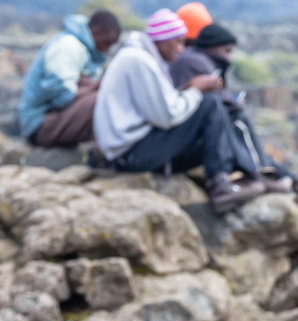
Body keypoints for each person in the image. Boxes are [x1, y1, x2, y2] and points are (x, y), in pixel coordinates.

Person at [93, 9, 265, 214]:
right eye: (178, 42)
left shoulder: (143, 58)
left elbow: (162, 105)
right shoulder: (138, 60)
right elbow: (166, 116)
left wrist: (190, 88)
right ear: (163, 40)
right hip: (129, 155)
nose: (181, 49)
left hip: (132, 150)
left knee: (215, 141)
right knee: (209, 103)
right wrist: (196, 89)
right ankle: (221, 186)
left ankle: (237, 178)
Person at [168, 21, 298, 209]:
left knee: (246, 144)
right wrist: (235, 104)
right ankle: (266, 176)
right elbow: (216, 102)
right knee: (239, 122)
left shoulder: (198, 60)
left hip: (190, 134)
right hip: (188, 139)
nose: (229, 58)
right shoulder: (196, 62)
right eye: (227, 51)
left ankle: (297, 185)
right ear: (212, 46)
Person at [18, 11, 120, 148]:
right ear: (96, 32)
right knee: (103, 100)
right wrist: (93, 86)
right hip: (39, 126)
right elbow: (62, 97)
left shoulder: (86, 51)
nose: (106, 51)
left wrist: (88, 85)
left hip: (50, 120)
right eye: (106, 43)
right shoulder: (68, 46)